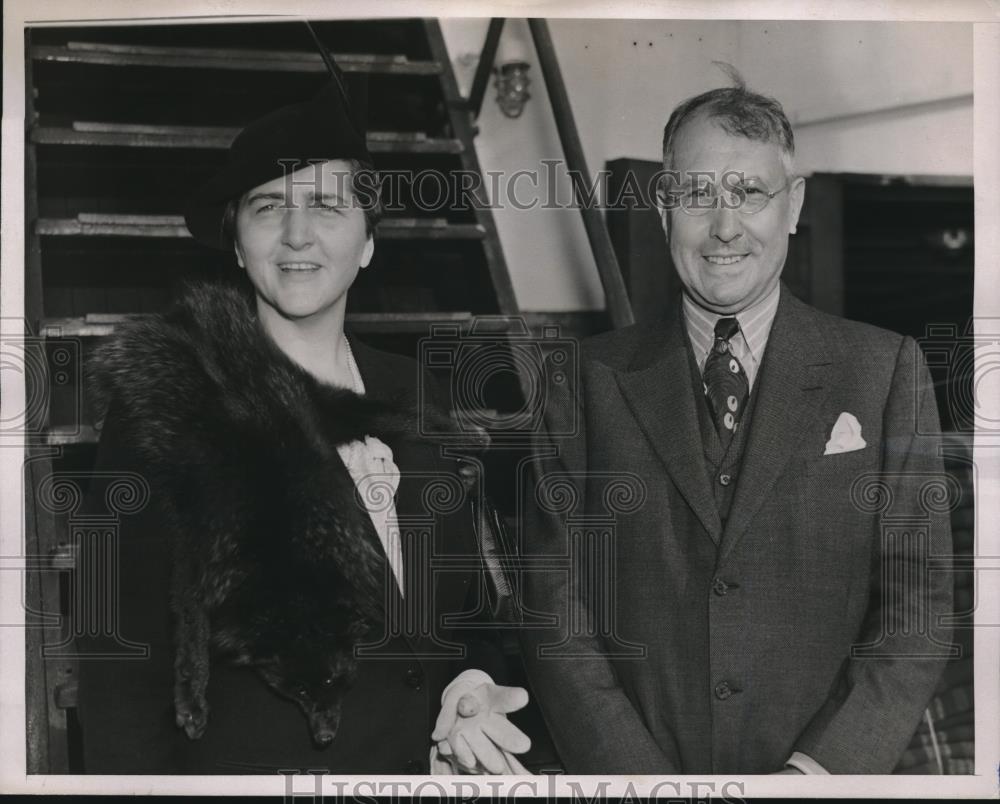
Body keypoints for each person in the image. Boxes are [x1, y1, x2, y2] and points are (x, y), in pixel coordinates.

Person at [75, 79, 530, 774]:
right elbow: (119, 665)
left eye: (326, 204)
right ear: (236, 244)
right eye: (267, 208)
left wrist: (468, 683)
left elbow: (460, 612)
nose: (295, 235)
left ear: (369, 241)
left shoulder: (411, 390)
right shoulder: (167, 409)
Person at [520, 75, 954, 774]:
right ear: (664, 209)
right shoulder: (580, 382)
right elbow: (554, 612)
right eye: (697, 195)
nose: (725, 227)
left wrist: (818, 777)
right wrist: (641, 783)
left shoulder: (883, 372)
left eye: (749, 193)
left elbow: (918, 611)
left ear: (794, 205)